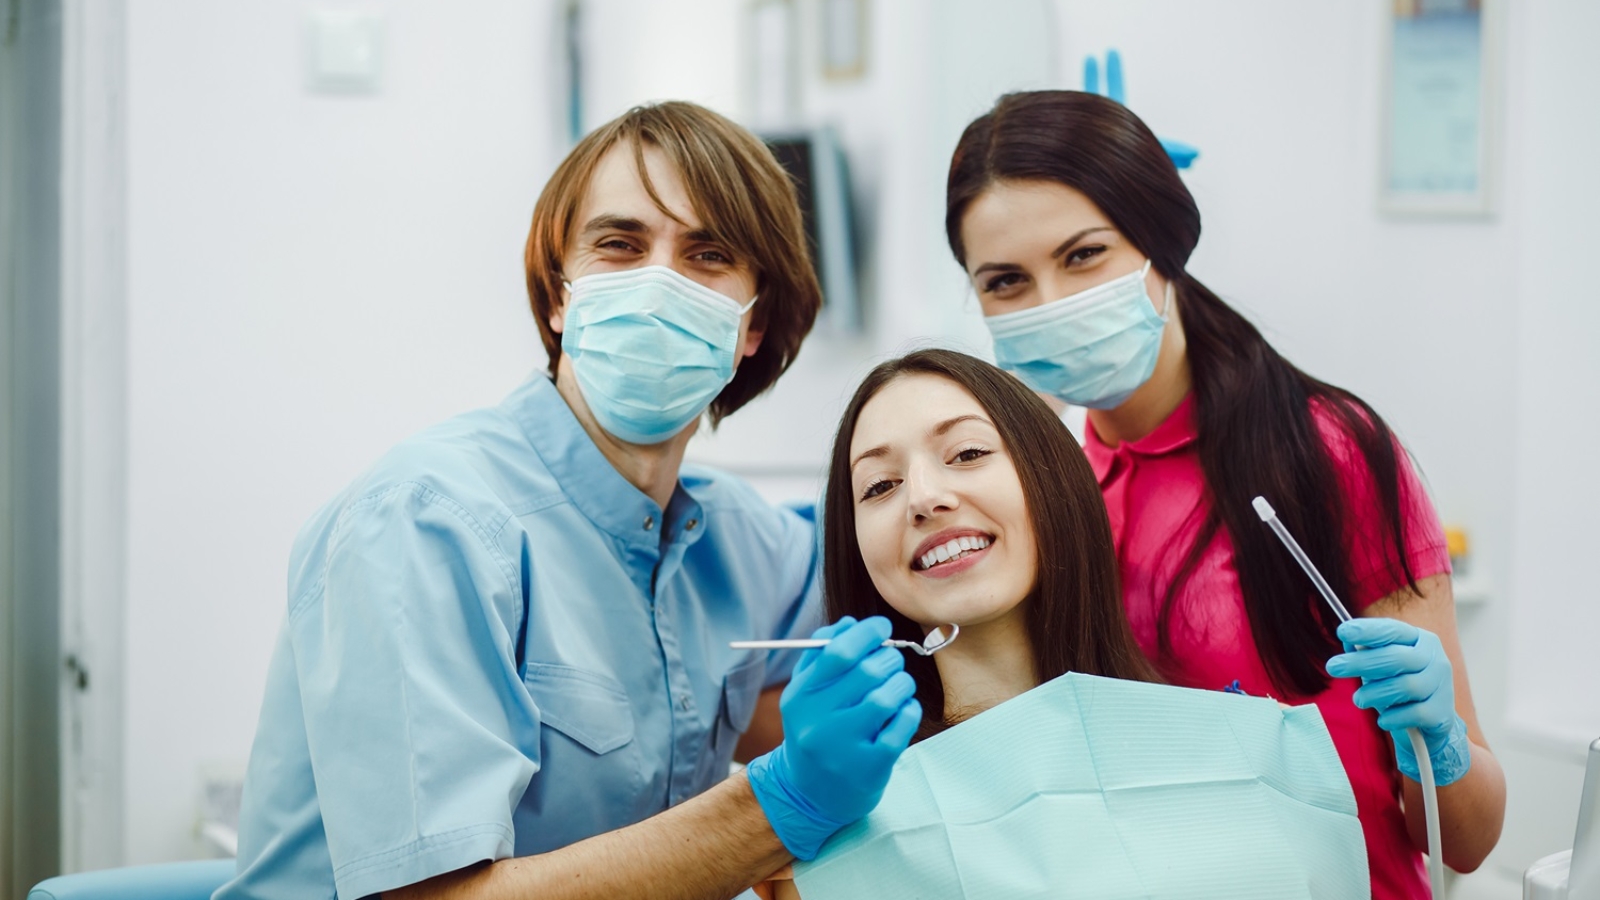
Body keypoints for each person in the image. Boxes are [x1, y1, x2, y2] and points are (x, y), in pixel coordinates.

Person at [215, 101, 919, 900]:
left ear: (752, 327)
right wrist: (780, 805)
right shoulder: (426, 520)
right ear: (560, 297)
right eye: (619, 245)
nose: (658, 282)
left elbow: (834, 761)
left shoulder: (750, 547)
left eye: (708, 253)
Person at [943, 90, 1505, 897]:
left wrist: (1439, 738)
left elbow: (1472, 842)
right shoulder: (1038, 493)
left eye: (1083, 254)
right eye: (1005, 280)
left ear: (1162, 245)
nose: (1051, 304)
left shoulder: (1326, 452)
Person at [757, 347, 1168, 898]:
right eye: (879, 486)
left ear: (1057, 478)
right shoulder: (824, 831)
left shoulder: (1213, 746)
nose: (923, 499)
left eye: (968, 452)